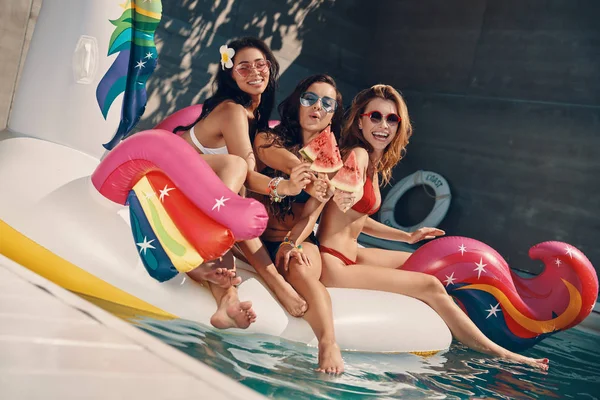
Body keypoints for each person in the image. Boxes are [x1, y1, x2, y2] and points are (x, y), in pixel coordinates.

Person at [316, 84, 550, 371]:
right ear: (360, 120)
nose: (383, 125)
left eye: (392, 119)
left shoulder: (371, 162)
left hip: (352, 254)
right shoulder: (358, 156)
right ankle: (500, 353)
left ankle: (465, 330)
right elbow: (337, 200)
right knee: (429, 283)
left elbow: (357, 219)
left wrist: (407, 236)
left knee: (425, 263)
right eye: (375, 116)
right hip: (334, 265)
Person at [171, 37, 312, 328]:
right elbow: (245, 172)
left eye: (260, 65)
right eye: (243, 67)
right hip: (168, 180)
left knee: (239, 204)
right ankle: (270, 279)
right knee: (236, 173)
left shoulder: (254, 120)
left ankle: (228, 302)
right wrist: (283, 187)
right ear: (230, 75)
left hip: (205, 200)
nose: (254, 72)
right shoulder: (232, 110)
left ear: (271, 69)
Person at [253, 74, 345, 374]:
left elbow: (310, 217)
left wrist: (292, 243)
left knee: (302, 269)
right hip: (254, 236)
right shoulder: (268, 139)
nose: (317, 107)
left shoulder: (331, 161)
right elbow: (276, 158)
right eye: (310, 98)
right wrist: (306, 178)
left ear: (331, 116)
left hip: (298, 236)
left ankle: (328, 344)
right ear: (297, 103)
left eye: (327, 103)